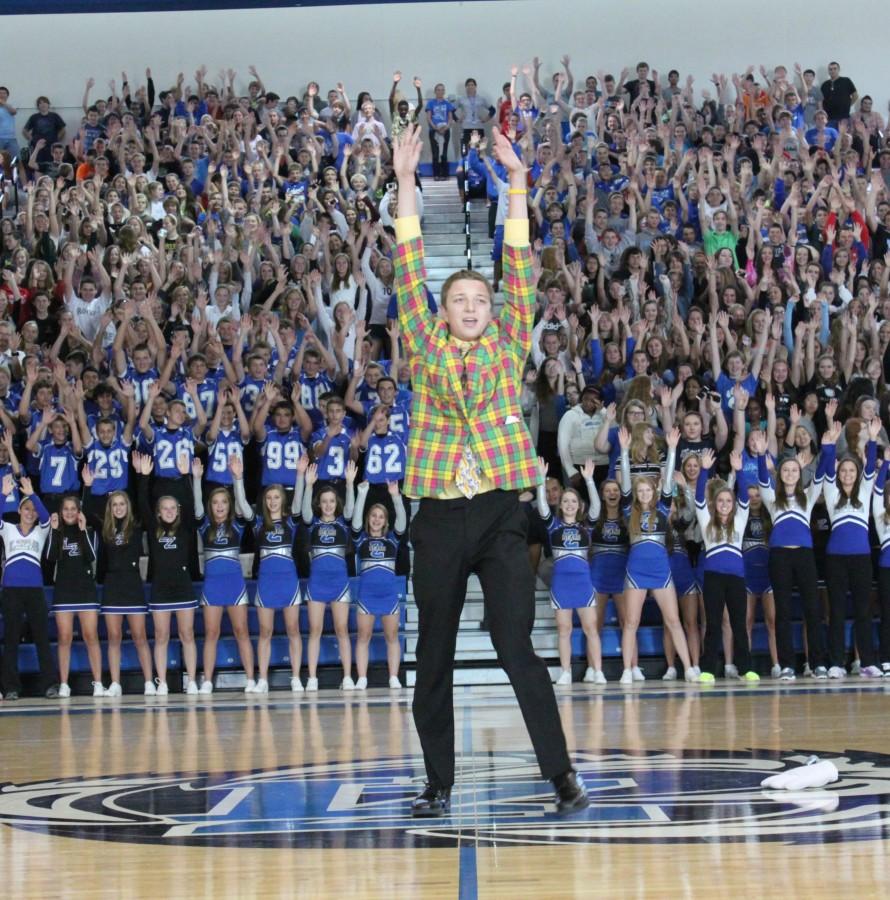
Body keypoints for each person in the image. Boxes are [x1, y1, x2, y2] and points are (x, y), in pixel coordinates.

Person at [392, 122, 588, 818]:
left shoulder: (509, 339)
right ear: (441, 313)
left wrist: (518, 185)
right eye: (460, 302)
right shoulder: (422, 341)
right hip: (440, 514)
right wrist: (407, 182)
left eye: (480, 300)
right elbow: (408, 261)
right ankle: (437, 783)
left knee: (516, 647)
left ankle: (562, 776)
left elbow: (520, 262)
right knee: (434, 657)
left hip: (503, 512)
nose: (472, 308)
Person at [618, 425, 699, 684]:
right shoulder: (630, 511)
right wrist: (623, 449)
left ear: (654, 492)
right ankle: (627, 670)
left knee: (674, 621)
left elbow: (668, 486)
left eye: (647, 490)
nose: (643, 494)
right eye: (640, 491)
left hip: (662, 571)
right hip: (636, 572)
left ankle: (688, 668)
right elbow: (627, 484)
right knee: (631, 622)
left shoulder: (664, 509)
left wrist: (673, 449)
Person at [753, 431, 828, 680]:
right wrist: (763, 453)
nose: (790, 474)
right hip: (779, 558)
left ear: (800, 473)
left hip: (805, 556)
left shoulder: (808, 496)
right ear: (780, 473)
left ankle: (816, 663)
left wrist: (827, 446)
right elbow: (763, 477)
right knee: (782, 611)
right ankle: (787, 666)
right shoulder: (772, 498)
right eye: (786, 470)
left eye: (794, 470)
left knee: (812, 610)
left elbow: (821, 474)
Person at [134, 451, 199, 695]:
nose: (170, 511)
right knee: (161, 636)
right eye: (165, 508)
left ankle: (192, 680)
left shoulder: (185, 528)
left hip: (183, 587)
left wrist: (185, 477)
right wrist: (144, 478)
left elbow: (191, 504)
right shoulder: (153, 529)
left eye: (173, 507)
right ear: (159, 512)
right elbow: (141, 502)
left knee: (187, 634)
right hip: (161, 588)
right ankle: (161, 682)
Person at [535, 457, 605, 685]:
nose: (569, 504)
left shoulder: (586, 526)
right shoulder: (553, 525)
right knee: (564, 629)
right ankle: (565, 672)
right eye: (565, 501)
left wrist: (589, 481)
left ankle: (597, 671)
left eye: (573, 501)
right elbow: (543, 506)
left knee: (590, 628)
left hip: (583, 583)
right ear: (560, 504)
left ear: (579, 505)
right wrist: (538, 481)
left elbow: (596, 507)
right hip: (561, 584)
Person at [820, 418, 880, 677]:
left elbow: (871, 471)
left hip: (861, 560)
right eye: (843, 471)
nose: (846, 474)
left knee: (863, 611)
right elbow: (826, 471)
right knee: (837, 611)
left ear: (857, 474)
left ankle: (867, 662)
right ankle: (836, 663)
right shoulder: (832, 494)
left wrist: (874, 440)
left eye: (851, 471)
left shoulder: (865, 493)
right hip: (835, 559)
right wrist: (830, 446)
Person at [192, 457, 256, 694]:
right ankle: (207, 680)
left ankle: (251, 679)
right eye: (216, 503)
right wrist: (197, 479)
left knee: (242, 632)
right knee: (211, 633)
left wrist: (238, 479)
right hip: (212, 587)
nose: (219, 506)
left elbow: (244, 507)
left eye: (223, 503)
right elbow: (197, 507)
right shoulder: (204, 526)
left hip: (235, 585)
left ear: (229, 506)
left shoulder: (237, 526)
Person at [694, 449, 758, 683]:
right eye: (720, 500)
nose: (724, 504)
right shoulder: (706, 520)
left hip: (736, 579)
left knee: (738, 624)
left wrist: (739, 471)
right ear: (715, 503)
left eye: (728, 501)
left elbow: (744, 499)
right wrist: (703, 470)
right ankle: (708, 669)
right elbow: (699, 500)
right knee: (712, 623)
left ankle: (745, 668)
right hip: (712, 578)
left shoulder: (740, 520)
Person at [0, 474, 59, 700]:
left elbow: (45, 517)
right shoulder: (8, 529)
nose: (31, 512)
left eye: (33, 510)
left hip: (35, 591)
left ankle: (49, 685)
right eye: (26, 508)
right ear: (19, 511)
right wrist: (4, 494)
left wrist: (32, 494)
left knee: (42, 638)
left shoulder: (41, 531)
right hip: (11, 591)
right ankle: (11, 687)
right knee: (12, 638)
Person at [302, 460, 357, 690]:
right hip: (317, 583)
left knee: (341, 629)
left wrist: (350, 484)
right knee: (315, 630)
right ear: (319, 503)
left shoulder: (343, 523)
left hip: (339, 582)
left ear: (337, 503)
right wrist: (308, 485)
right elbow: (304, 512)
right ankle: (312, 678)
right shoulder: (312, 524)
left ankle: (347, 677)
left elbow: (353, 510)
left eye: (332, 501)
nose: (328, 505)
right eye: (324, 501)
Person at [96, 488, 154, 696]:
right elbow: (85, 510)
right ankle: (115, 684)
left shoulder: (137, 527)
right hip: (112, 585)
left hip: (132, 584)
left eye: (122, 504)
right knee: (114, 636)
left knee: (140, 635)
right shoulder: (105, 530)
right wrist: (87, 487)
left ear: (128, 507)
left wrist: (142, 480)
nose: (119, 508)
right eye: (115, 504)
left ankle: (149, 682)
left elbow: (147, 510)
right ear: (110, 508)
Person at [351, 479, 406, 690]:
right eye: (373, 516)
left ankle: (393, 677)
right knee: (363, 637)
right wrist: (362, 493)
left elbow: (402, 521)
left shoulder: (392, 540)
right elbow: (355, 523)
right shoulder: (361, 540)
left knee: (391, 637)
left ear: (385, 521)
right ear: (369, 519)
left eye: (380, 517)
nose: (376, 519)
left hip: (388, 596)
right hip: (367, 596)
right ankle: (362, 678)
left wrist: (395, 497)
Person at [47, 495, 104, 697]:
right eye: (66, 509)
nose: (69, 512)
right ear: (61, 512)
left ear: (79, 511)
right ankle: (64, 684)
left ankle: (98, 683)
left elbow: (91, 556)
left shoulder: (88, 531)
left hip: (86, 590)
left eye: (73, 508)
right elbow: (51, 557)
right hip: (63, 591)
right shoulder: (57, 532)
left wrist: (82, 530)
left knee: (91, 636)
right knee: (64, 638)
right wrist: (53, 531)